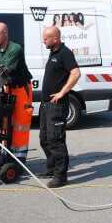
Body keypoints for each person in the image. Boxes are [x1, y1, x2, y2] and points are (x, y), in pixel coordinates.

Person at [39, 26, 81, 188]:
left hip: (57, 105)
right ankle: (51, 168)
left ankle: (60, 176)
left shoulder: (65, 53)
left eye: (46, 38)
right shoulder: (53, 52)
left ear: (56, 38)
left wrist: (62, 92)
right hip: (46, 105)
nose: (44, 41)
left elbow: (76, 73)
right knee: (44, 139)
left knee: (56, 140)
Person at [0, 22, 34, 162]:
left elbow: (4, 71)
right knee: (6, 122)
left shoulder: (15, 49)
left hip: (21, 88)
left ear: (5, 34)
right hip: (8, 88)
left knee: (20, 123)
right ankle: (6, 151)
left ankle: (19, 157)